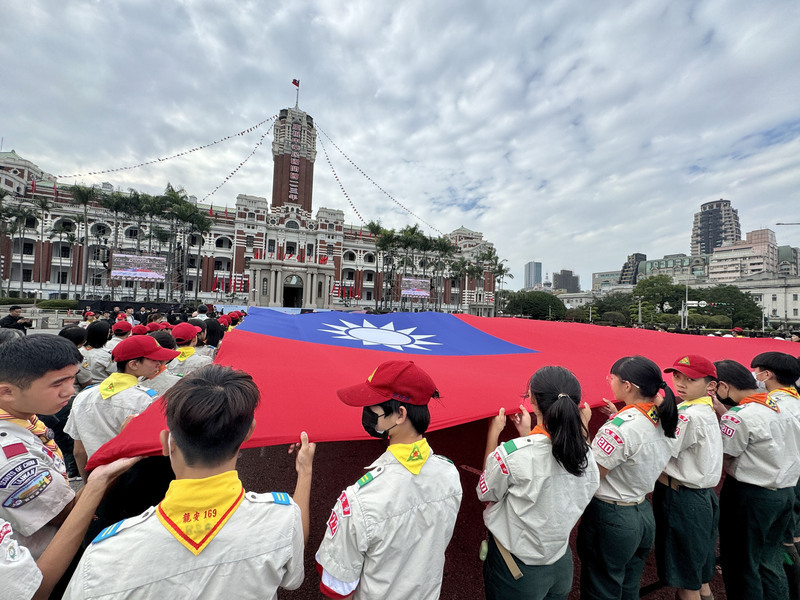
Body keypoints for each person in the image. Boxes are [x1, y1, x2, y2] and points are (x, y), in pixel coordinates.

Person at [63, 364, 314, 599]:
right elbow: (292, 579)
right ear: (249, 432)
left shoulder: (106, 551)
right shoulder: (280, 517)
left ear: (165, 442)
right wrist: (305, 472)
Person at [316, 360, 462, 600]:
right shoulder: (449, 473)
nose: (366, 413)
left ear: (400, 414)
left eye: (372, 408)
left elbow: (335, 585)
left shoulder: (361, 499)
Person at [478, 366, 600, 600]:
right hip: (560, 561)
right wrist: (528, 434)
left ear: (533, 400)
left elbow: (486, 492)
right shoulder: (585, 452)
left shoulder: (512, 454)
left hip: (518, 569)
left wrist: (494, 434)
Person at [577, 355, 679, 600]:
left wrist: (583, 428)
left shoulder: (621, 427)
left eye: (612, 378)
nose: (609, 382)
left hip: (612, 516)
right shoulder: (662, 416)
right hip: (641, 511)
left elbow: (591, 474)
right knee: (628, 586)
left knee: (601, 586)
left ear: (627, 386)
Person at [714, 359, 800, 600]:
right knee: (769, 560)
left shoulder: (739, 416)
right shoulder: (783, 404)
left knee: (743, 563)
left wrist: (723, 419)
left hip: (751, 495)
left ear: (723, 386)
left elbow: (725, 452)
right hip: (783, 491)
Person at [0, 457, 137, 600]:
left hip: (46, 562)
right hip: (53, 566)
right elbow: (33, 591)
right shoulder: (5, 455)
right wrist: (98, 482)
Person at [0, 336, 82, 559]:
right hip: (39, 561)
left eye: (72, 380)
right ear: (7, 392)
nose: (70, 391)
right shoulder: (9, 455)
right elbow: (65, 513)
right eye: (58, 383)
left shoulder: (25, 416)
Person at [656, 355, 723, 600]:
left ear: (711, 386)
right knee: (700, 575)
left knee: (687, 580)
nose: (681, 383)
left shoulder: (688, 416)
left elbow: (660, 450)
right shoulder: (703, 409)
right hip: (701, 497)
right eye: (676, 376)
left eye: (690, 379)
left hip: (682, 498)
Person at [64, 336, 180, 477]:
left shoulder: (84, 396)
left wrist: (89, 485)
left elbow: (78, 451)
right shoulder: (145, 399)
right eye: (155, 360)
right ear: (133, 364)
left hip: (97, 476)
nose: (160, 364)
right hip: (132, 479)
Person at [750, 351, 800, 597]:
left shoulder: (770, 407)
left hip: (767, 489)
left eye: (756, 370)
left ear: (766, 374)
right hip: (789, 485)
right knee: (781, 545)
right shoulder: (795, 402)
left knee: (763, 556)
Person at [79, 321, 115, 385]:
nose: (110, 334)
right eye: (108, 332)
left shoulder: (78, 351)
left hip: (81, 386)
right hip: (102, 387)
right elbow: (114, 372)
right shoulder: (108, 354)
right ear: (104, 335)